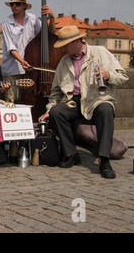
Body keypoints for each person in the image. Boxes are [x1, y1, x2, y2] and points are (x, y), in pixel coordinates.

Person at [38, 25, 129, 179]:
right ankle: (71, 154)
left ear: (76, 42)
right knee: (56, 112)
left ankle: (104, 160)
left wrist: (108, 76)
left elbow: (123, 77)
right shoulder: (64, 62)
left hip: (96, 100)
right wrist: (49, 109)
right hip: (72, 102)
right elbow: (55, 93)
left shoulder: (100, 52)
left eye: (65, 45)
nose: (63, 49)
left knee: (106, 109)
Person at [1, 0, 55, 103]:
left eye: (17, 4)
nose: (14, 6)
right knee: (12, 101)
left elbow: (48, 35)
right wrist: (22, 61)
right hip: (12, 69)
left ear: (24, 6)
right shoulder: (6, 23)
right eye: (12, 4)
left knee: (31, 100)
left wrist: (52, 17)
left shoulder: (34, 19)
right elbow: (11, 47)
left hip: (31, 70)